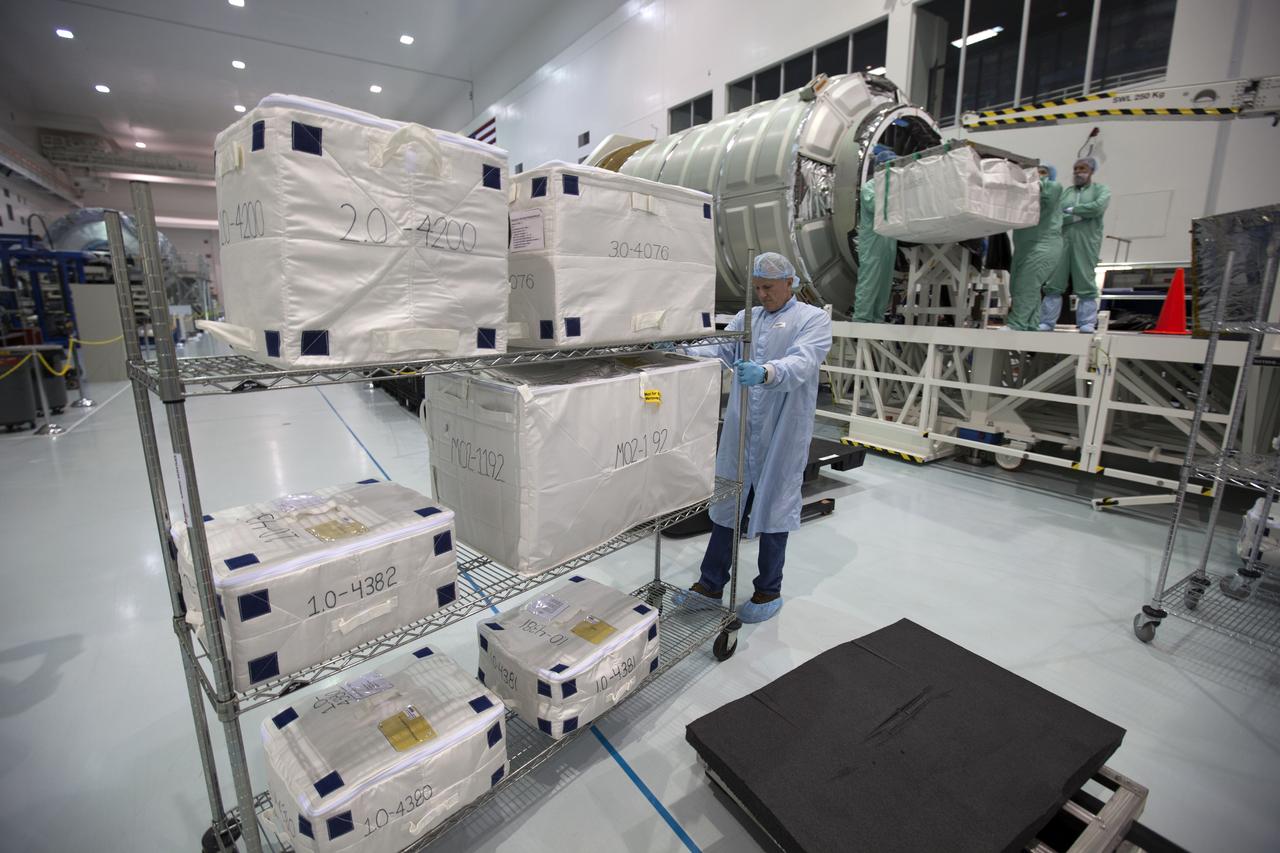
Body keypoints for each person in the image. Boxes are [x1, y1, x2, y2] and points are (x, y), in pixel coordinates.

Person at [675, 252, 833, 623]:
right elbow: (720, 351)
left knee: (776, 506)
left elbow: (803, 362)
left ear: (789, 284)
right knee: (728, 502)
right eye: (757, 288)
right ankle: (710, 585)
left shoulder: (812, 320)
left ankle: (768, 590)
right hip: (742, 428)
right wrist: (681, 350)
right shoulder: (748, 318)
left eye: (768, 288)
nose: (762, 295)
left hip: (783, 429)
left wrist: (765, 372)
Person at [1039, 157, 1111, 333]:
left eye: (1082, 168)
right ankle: (1047, 321)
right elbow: (1056, 216)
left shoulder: (1101, 190)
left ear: (1091, 170)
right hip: (1062, 242)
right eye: (1076, 168)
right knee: (1054, 281)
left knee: (1085, 281)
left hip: (1086, 242)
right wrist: (1078, 216)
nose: (1078, 171)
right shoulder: (1066, 192)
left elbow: (1097, 208)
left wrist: (1072, 211)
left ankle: (1086, 322)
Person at [1005, 164, 1065, 331]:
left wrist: (1024, 178)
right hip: (1023, 248)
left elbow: (1045, 192)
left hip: (1044, 245)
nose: (1038, 174)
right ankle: (1031, 323)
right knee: (1018, 286)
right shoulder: (1025, 195)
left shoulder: (1053, 187)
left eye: (1043, 172)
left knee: (1027, 284)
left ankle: (1018, 323)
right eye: (1036, 171)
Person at [851, 145, 900, 323]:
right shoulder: (869, 188)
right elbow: (875, 206)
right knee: (869, 282)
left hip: (888, 243)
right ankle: (861, 321)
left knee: (884, 285)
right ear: (880, 168)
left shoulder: (893, 189)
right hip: (872, 243)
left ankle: (877, 321)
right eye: (891, 165)